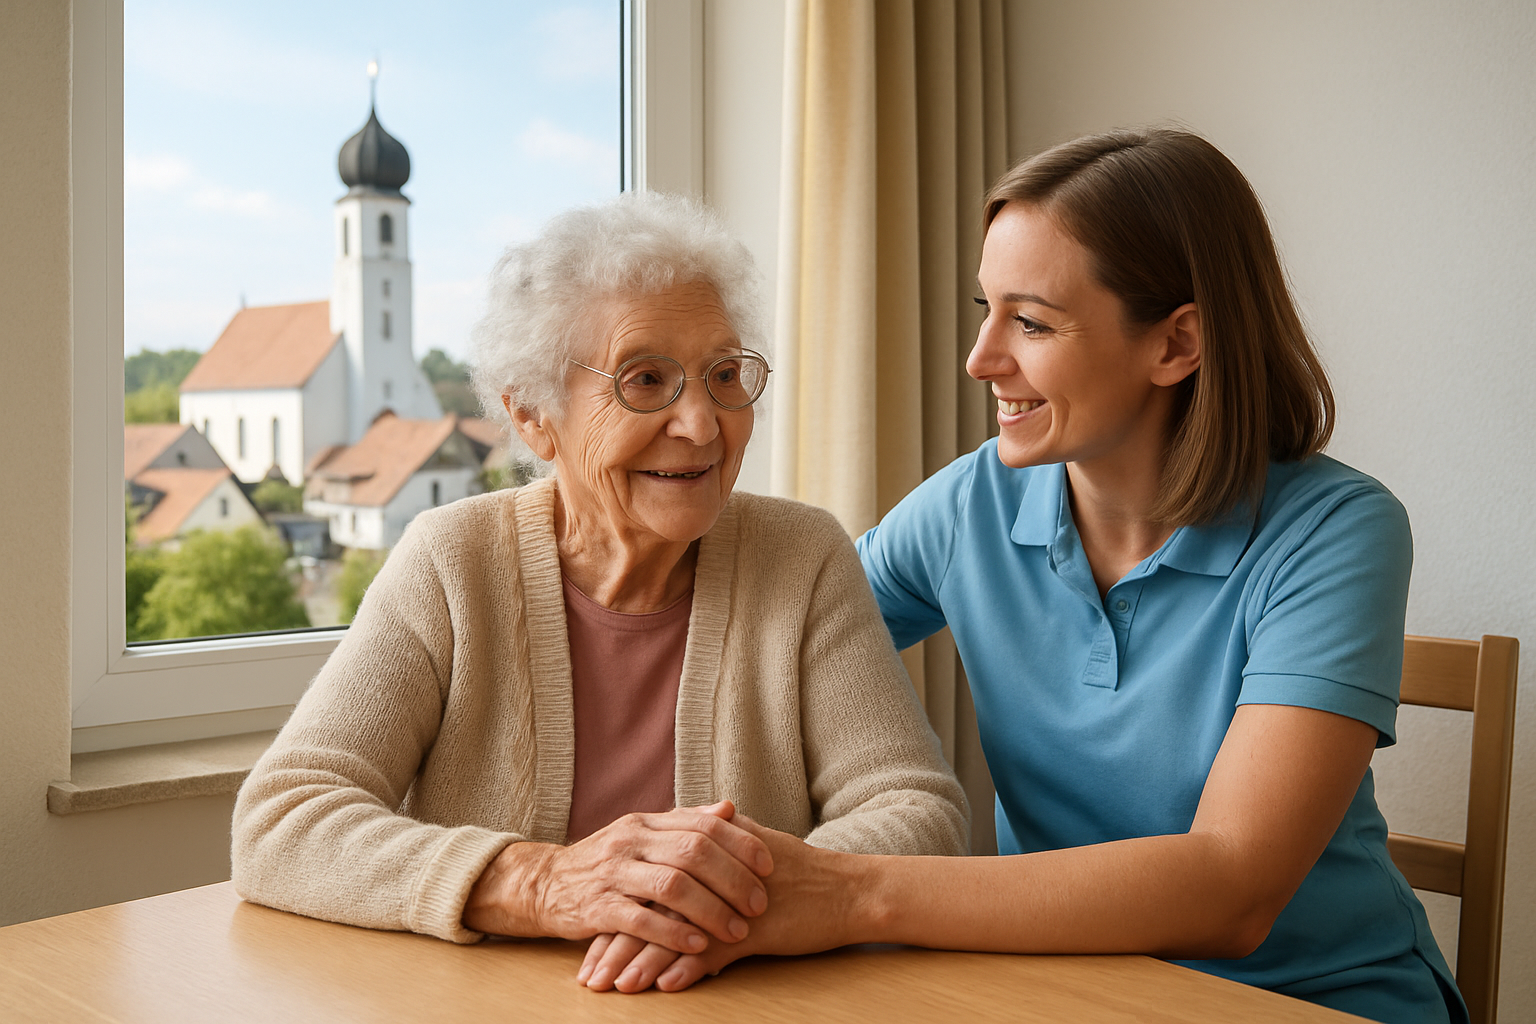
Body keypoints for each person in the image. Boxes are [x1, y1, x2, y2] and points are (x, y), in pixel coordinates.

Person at [584, 130, 1464, 1024]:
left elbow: (1232, 888)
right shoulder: (971, 504)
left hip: (1320, 999)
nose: (981, 357)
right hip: (1061, 991)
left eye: (1032, 321)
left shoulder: (1335, 532)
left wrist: (848, 892)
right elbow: (773, 643)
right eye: (987, 307)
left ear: (1176, 344)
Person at [230, 191, 968, 990]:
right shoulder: (451, 562)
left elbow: (919, 811)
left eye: (724, 375)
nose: (702, 423)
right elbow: (283, 820)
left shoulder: (801, 557)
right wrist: (543, 883)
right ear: (533, 416)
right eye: (645, 380)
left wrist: (727, 902)